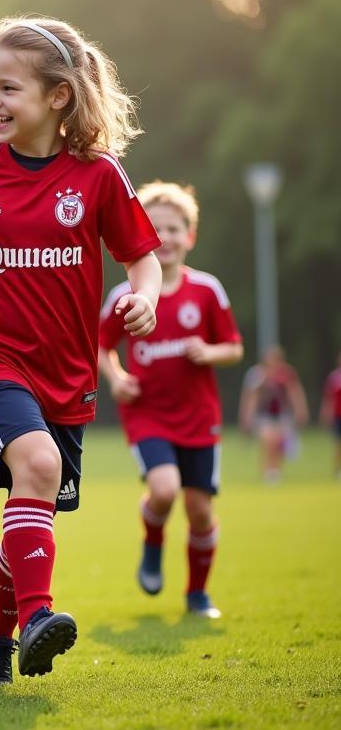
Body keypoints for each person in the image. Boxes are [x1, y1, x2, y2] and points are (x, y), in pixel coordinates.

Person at [0, 16, 162, 685]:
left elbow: (143, 259)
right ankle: (36, 618)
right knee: (38, 464)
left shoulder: (99, 176)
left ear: (57, 96)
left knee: (35, 497)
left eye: (8, 88)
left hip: (69, 376)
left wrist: (147, 298)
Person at [98, 181, 243, 619]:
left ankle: (198, 594)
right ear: (143, 234)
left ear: (189, 236)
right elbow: (99, 345)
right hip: (149, 415)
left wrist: (210, 352)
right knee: (164, 492)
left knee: (199, 511)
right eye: (156, 229)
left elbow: (234, 347)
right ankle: (153, 539)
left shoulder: (207, 291)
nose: (166, 238)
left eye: (175, 229)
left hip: (200, 417)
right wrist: (117, 377)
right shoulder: (126, 296)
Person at [239, 345, 309, 483]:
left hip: (282, 414)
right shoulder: (257, 375)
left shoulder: (287, 374)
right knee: (268, 440)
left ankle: (276, 471)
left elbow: (295, 393)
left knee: (278, 443)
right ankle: (268, 471)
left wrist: (301, 410)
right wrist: (246, 418)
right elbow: (251, 398)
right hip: (263, 415)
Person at [320, 352, 341, 479]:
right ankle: (338, 468)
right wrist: (326, 413)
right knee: (338, 443)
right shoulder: (334, 378)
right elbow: (329, 398)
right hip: (338, 416)